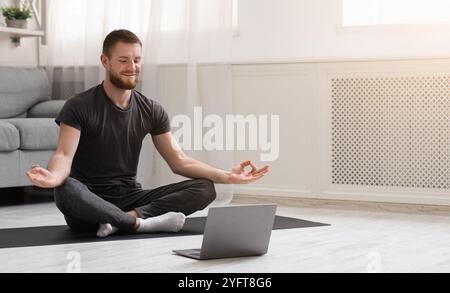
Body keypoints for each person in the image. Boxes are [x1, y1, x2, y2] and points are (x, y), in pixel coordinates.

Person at [25, 29, 269, 238]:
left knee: (205, 188)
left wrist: (228, 176)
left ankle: (126, 220)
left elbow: (179, 161)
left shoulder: (151, 109)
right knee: (66, 189)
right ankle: (141, 224)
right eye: (123, 60)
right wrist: (54, 177)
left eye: (137, 60)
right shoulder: (79, 105)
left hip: (131, 196)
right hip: (90, 203)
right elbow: (64, 155)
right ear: (105, 60)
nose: (132, 67)